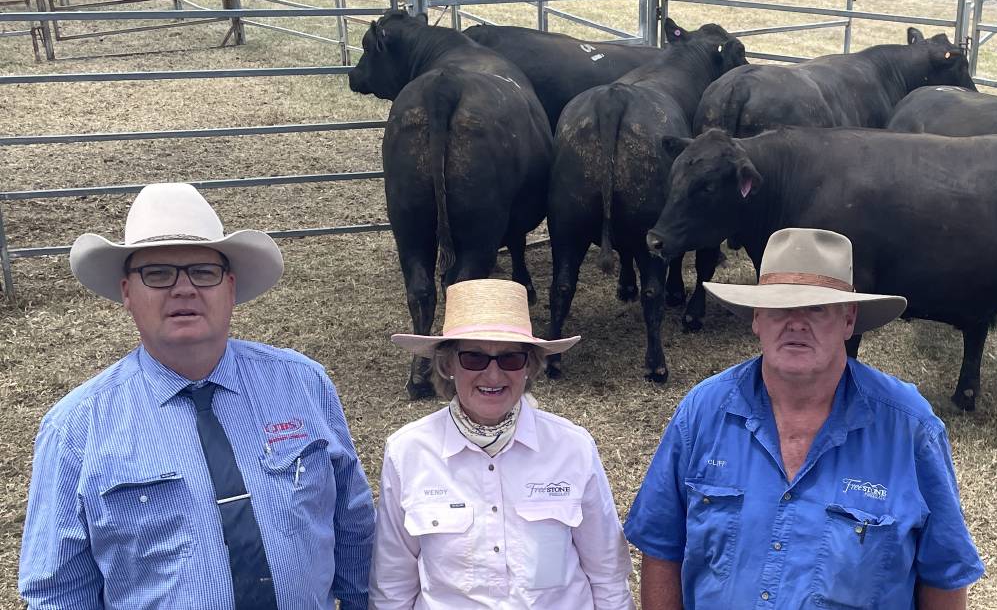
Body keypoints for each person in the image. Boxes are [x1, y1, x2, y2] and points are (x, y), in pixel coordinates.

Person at [18, 183, 376, 609]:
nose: (183, 289)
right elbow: (58, 592)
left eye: (202, 272)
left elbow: (353, 522)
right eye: (158, 273)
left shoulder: (303, 384)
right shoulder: (75, 429)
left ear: (230, 287)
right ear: (127, 293)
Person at [624, 228, 985, 610]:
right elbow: (663, 549)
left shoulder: (910, 430)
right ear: (757, 319)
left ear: (849, 320)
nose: (795, 323)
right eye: (780, 308)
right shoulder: (701, 412)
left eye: (816, 308)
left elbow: (943, 577)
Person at [371, 278, 634, 609]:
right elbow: (393, 585)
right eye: (474, 358)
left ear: (530, 366)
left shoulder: (573, 447)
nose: (494, 376)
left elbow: (608, 575)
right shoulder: (407, 452)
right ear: (448, 364)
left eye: (510, 359)